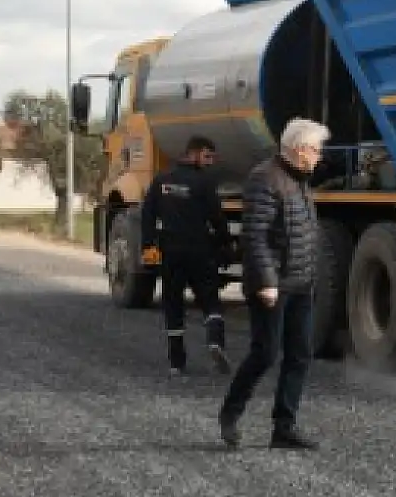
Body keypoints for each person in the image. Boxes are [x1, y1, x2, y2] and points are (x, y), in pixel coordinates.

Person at [218, 118, 330, 451]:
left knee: (300, 354)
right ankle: (230, 414)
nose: (319, 156)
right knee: (265, 353)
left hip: (300, 284)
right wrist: (267, 282)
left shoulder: (300, 180)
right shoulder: (264, 179)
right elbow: (255, 236)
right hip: (273, 286)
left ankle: (284, 428)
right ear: (299, 149)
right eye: (316, 149)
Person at [141, 135, 233, 375]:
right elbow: (217, 218)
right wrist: (226, 245)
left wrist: (149, 252)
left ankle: (176, 362)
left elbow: (148, 217)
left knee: (173, 303)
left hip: (170, 251)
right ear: (192, 154)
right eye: (207, 156)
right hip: (200, 251)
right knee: (210, 300)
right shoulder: (204, 183)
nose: (210, 162)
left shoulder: (161, 181)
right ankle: (215, 342)